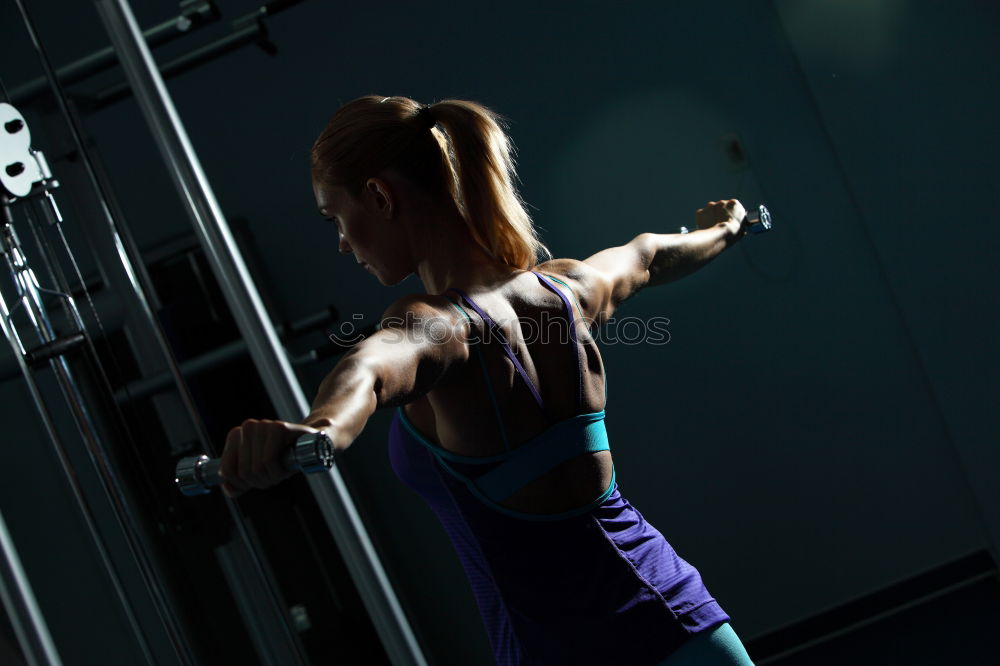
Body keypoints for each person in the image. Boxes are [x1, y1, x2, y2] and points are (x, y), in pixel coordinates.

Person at [219, 95, 755, 665]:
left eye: (336, 218)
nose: (344, 243)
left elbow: (371, 370)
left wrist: (318, 428)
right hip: (680, 617)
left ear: (378, 195)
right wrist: (726, 228)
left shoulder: (436, 325)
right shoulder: (568, 288)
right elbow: (648, 256)